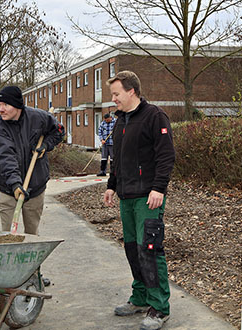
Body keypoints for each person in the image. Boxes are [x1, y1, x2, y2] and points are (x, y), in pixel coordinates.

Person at [103, 71, 175, 330]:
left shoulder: (154, 117)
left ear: (131, 91)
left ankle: (159, 307)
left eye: (116, 94)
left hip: (148, 198)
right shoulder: (121, 121)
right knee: (132, 249)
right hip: (127, 196)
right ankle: (141, 297)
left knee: (150, 250)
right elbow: (118, 158)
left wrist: (159, 188)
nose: (113, 99)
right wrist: (112, 186)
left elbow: (166, 156)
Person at [0, 86, 64, 301]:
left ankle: (33, 275)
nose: (1, 109)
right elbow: (5, 157)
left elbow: (58, 130)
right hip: (8, 189)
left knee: (32, 235)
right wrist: (15, 185)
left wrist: (46, 145)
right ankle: (4, 282)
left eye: (5, 105)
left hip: (36, 185)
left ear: (18, 105)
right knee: (7, 237)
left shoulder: (39, 118)